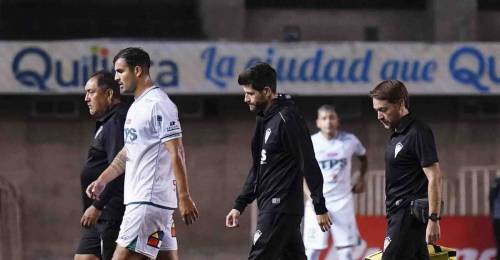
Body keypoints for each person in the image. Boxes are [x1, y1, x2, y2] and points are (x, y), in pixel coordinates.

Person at [86, 47, 199, 260]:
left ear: (137, 70)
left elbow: (176, 152)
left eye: (120, 71)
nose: (116, 77)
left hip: (146, 203)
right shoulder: (137, 106)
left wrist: (184, 196)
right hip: (154, 206)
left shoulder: (159, 104)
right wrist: (103, 179)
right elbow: (128, 151)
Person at [225, 62, 332, 260]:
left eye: (250, 93)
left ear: (267, 91)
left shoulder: (287, 118)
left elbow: (307, 160)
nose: (245, 99)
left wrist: (319, 205)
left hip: (280, 206)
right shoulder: (264, 119)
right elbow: (258, 167)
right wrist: (240, 204)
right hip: (273, 207)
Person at [369, 80, 442, 260]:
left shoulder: (418, 132)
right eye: (376, 110)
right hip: (397, 215)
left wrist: (434, 219)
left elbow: (435, 177)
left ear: (400, 104)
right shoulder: (397, 134)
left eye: (383, 109)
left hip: (407, 216)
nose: (379, 116)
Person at [303, 105, 368, 260]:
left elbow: (363, 158)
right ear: (318, 122)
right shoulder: (310, 143)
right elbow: (303, 174)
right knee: (312, 252)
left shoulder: (350, 140)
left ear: (338, 120)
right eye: (324, 118)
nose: (328, 122)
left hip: (342, 202)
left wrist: (361, 177)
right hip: (317, 204)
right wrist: (313, 199)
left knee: (346, 252)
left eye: (332, 117)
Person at [75, 70, 128, 260]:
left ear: (109, 94)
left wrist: (97, 205)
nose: (86, 98)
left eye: (91, 92)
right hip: (99, 215)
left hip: (110, 212)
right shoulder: (106, 122)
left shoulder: (116, 122)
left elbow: (120, 169)